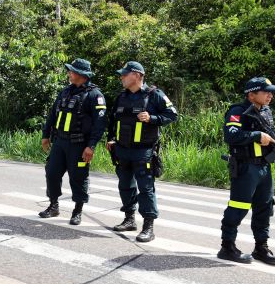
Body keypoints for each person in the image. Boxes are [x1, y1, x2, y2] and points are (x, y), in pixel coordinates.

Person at [217, 76, 275, 265]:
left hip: (264, 167)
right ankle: (227, 247)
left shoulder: (266, 112)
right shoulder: (237, 111)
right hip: (245, 167)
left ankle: (261, 247)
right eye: (266, 92)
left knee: (265, 207)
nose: (270, 96)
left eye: (272, 92)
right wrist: (256, 135)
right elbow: (231, 135)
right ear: (251, 95)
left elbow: (272, 140)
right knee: (239, 207)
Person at [106, 61, 178, 242]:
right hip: (122, 150)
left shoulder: (154, 95)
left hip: (143, 151)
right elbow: (113, 120)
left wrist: (152, 118)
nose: (121, 77)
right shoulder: (121, 97)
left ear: (137, 75)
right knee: (125, 185)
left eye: (125, 74)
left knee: (145, 189)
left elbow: (173, 115)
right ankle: (129, 219)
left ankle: (148, 227)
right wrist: (111, 138)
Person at [38, 58, 107, 225]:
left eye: (72, 71)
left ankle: (77, 211)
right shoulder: (65, 92)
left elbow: (100, 124)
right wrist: (45, 135)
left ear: (82, 75)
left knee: (78, 177)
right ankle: (53, 205)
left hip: (79, 145)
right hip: (60, 142)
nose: (69, 73)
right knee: (52, 172)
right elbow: (52, 114)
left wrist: (91, 146)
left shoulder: (95, 95)